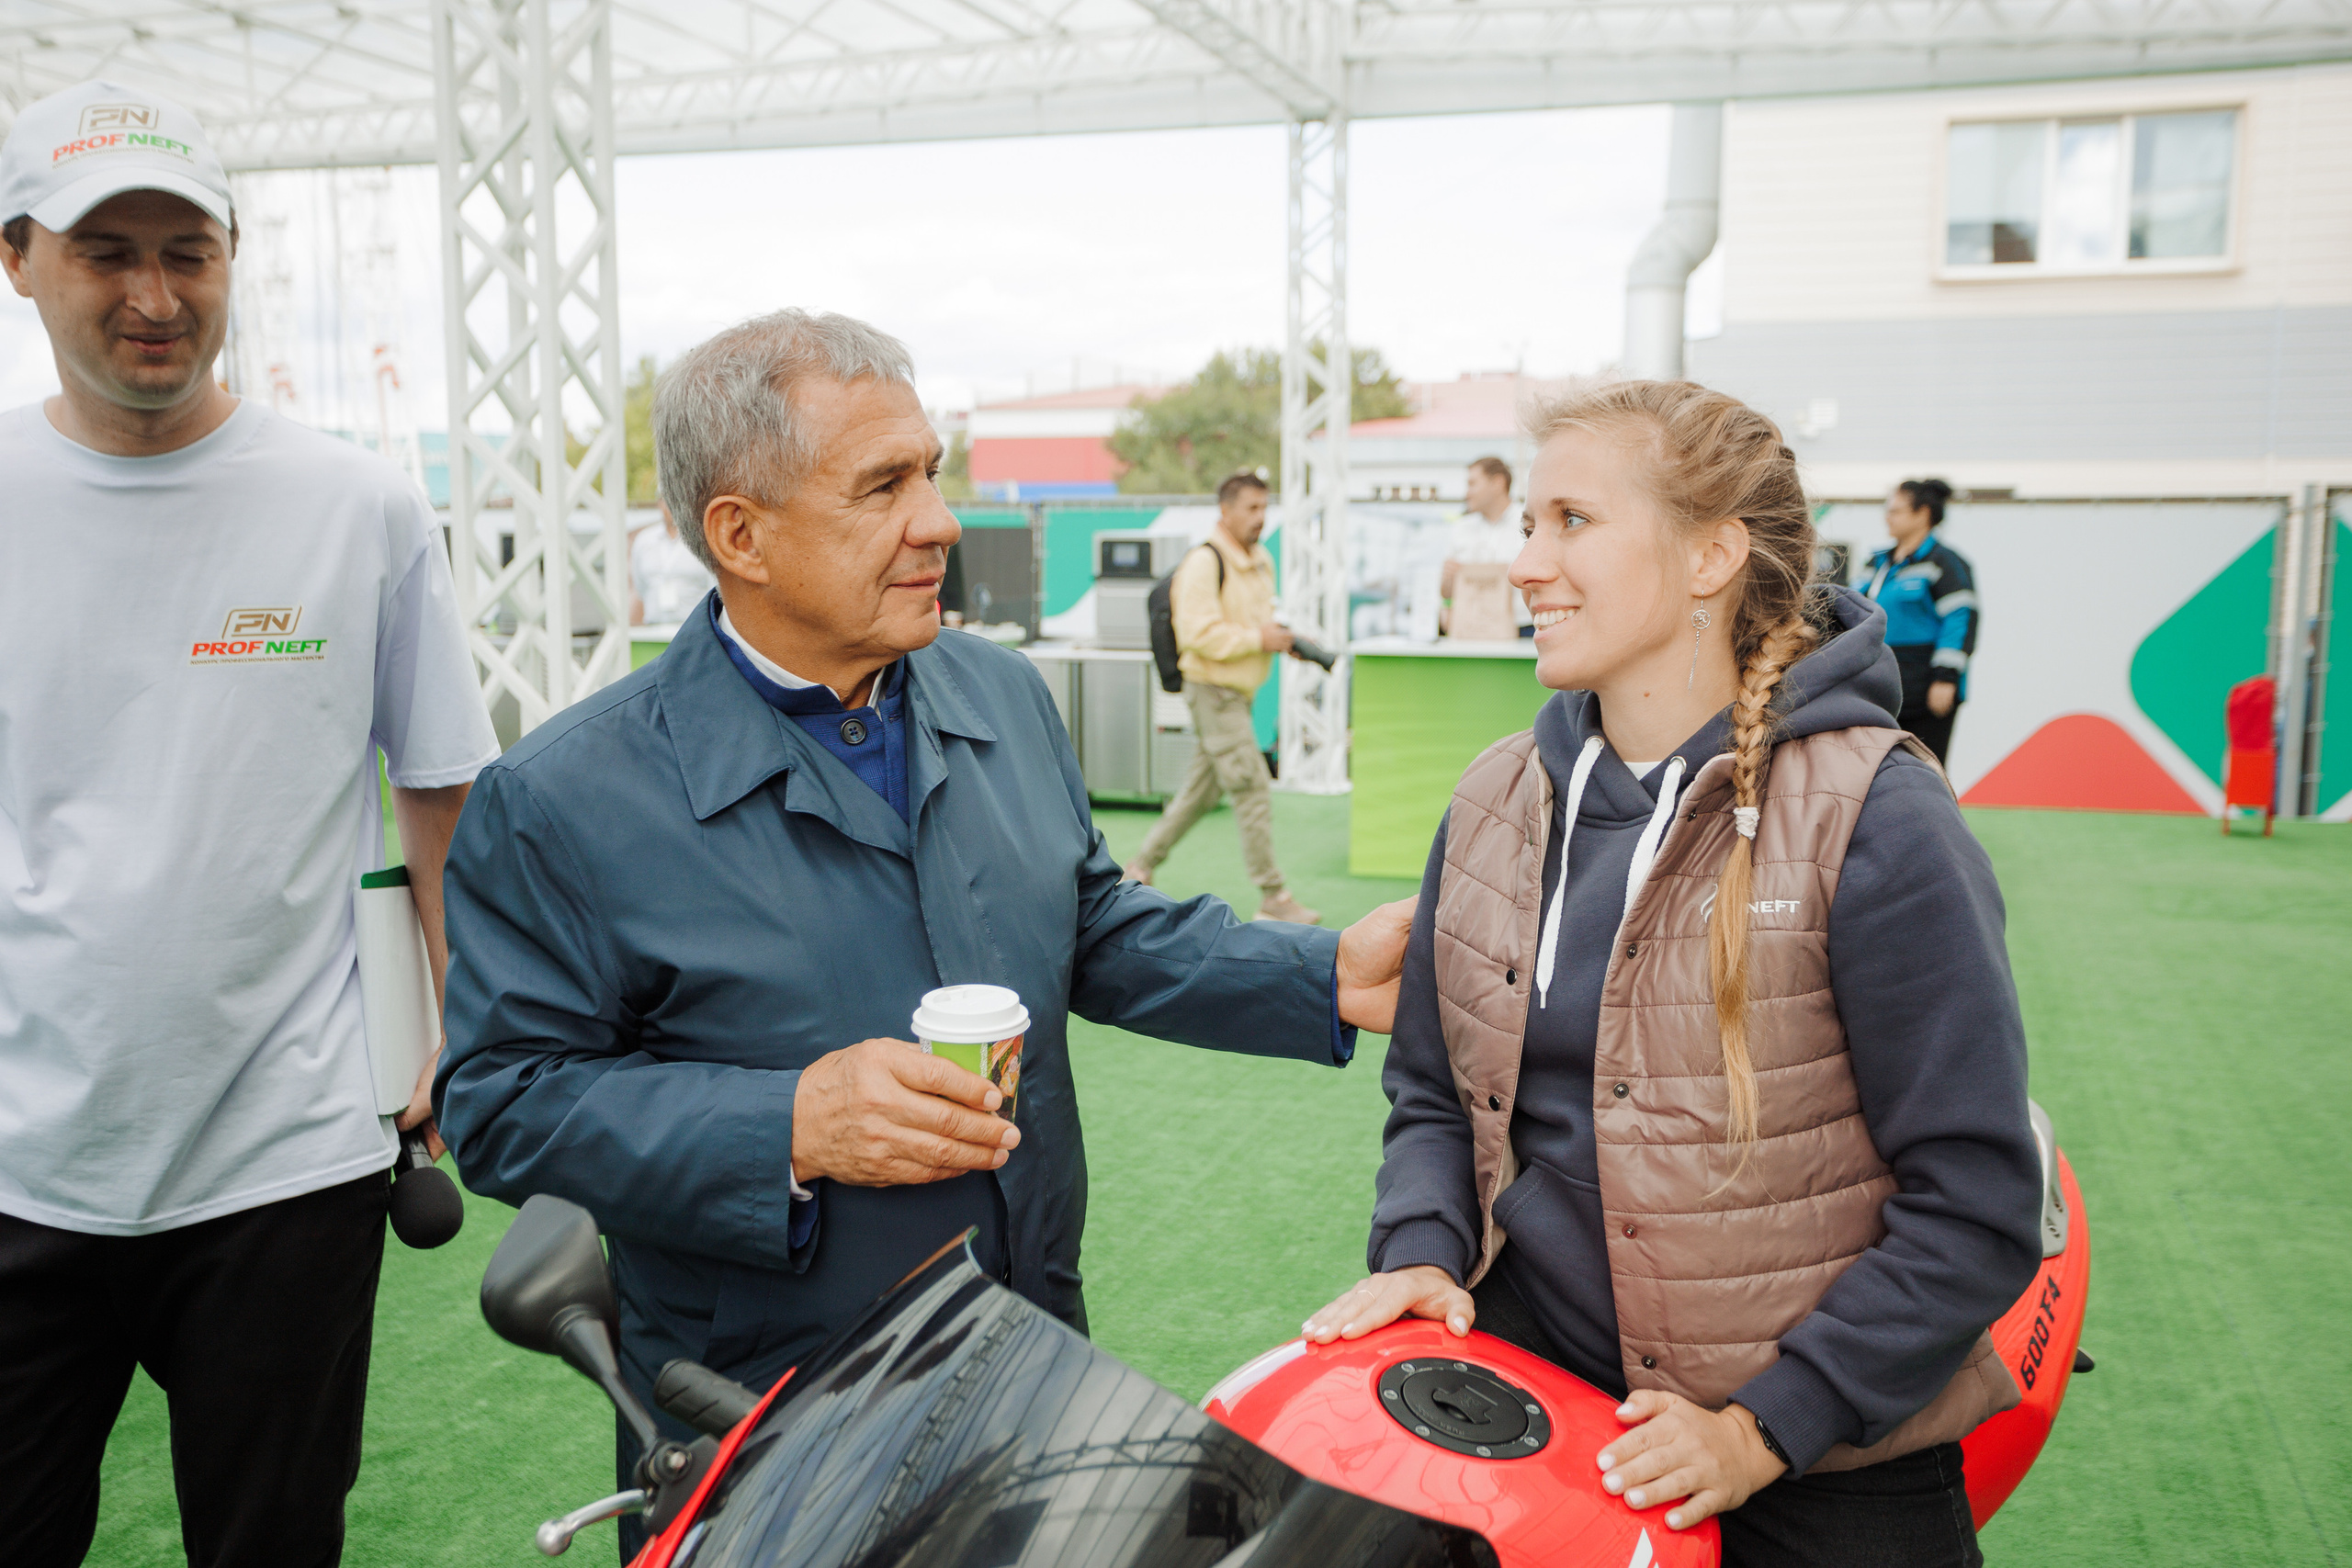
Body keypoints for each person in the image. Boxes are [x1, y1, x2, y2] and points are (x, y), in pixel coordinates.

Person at [431, 310, 1412, 1559]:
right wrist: (790, 1120)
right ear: (740, 532)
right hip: (770, 1411)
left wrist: (1323, 970)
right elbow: (504, 1102)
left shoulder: (995, 689)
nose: (940, 519)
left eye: (933, 471)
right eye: (884, 484)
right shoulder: (565, 797)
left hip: (1036, 1351)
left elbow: (1090, 923)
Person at [1301, 382, 2041, 1567]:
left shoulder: (1878, 818)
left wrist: (1761, 1430)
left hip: (1823, 1456)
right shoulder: (1494, 798)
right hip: (1542, 1408)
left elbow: (1975, 1207)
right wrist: (1424, 1253)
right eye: (1527, 522)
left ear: (1711, 554)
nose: (1527, 562)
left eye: (1572, 523)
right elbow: (1440, 1095)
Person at [0, 81, 497, 1566]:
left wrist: (447, 1023)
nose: (155, 297)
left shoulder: (356, 507)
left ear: (229, 259)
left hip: (291, 1160)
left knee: (273, 1547)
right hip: (21, 1165)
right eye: (107, 254)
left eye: (188, 252)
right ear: (17, 259)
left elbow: (438, 788)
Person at [1121, 471, 1319, 923]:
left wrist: (1280, 637)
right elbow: (1198, 634)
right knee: (1250, 786)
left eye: (1264, 508)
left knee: (1199, 792)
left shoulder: (1259, 561)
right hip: (1213, 692)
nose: (1259, 517)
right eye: (1250, 508)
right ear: (1225, 511)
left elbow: (1257, 620)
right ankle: (1274, 896)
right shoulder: (1204, 563)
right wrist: (1258, 638)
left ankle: (1139, 867)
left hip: (1236, 694)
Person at [1860, 479, 1976, 764]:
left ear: (1923, 514)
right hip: (1880, 685)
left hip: (1925, 689)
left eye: (1896, 511)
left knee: (1925, 771)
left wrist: (1945, 679)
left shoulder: (1945, 563)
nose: (1887, 517)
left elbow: (1960, 620)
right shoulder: (1877, 563)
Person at [1441, 454, 1532, 637]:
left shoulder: (1529, 524)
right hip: (1471, 630)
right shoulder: (1460, 528)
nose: (1467, 493)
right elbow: (1446, 594)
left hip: (1524, 629)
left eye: (1473, 484)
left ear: (1497, 483)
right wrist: (1447, 583)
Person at [628, 499, 714, 626]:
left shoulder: (702, 538)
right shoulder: (644, 540)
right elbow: (640, 586)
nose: (671, 505)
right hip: (654, 627)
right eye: (665, 499)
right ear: (659, 503)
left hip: (693, 627)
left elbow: (713, 586)